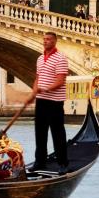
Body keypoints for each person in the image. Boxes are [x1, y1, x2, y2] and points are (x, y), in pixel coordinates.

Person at [18, 32, 69, 174]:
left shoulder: (61, 58)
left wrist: (45, 89)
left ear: (54, 42)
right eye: (44, 39)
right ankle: (40, 162)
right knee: (40, 134)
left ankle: (63, 163)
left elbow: (60, 81)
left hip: (55, 102)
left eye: (48, 39)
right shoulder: (40, 59)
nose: (45, 41)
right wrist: (33, 94)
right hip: (41, 101)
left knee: (57, 133)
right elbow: (37, 79)